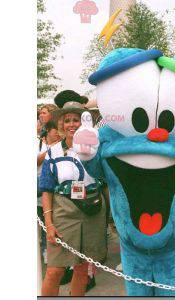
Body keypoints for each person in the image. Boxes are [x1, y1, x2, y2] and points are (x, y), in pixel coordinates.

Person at [39, 90, 107, 296]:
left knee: (82, 269)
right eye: (67, 120)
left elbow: (106, 180)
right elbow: (46, 189)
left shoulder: (97, 149)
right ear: (60, 124)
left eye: (76, 120)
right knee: (54, 270)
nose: (71, 124)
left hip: (92, 210)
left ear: (83, 121)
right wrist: (49, 224)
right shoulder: (53, 152)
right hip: (64, 213)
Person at [37, 121, 61, 263]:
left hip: (56, 191)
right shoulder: (42, 145)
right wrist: (50, 150)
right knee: (44, 217)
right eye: (55, 130)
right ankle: (46, 251)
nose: (57, 132)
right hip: (40, 187)